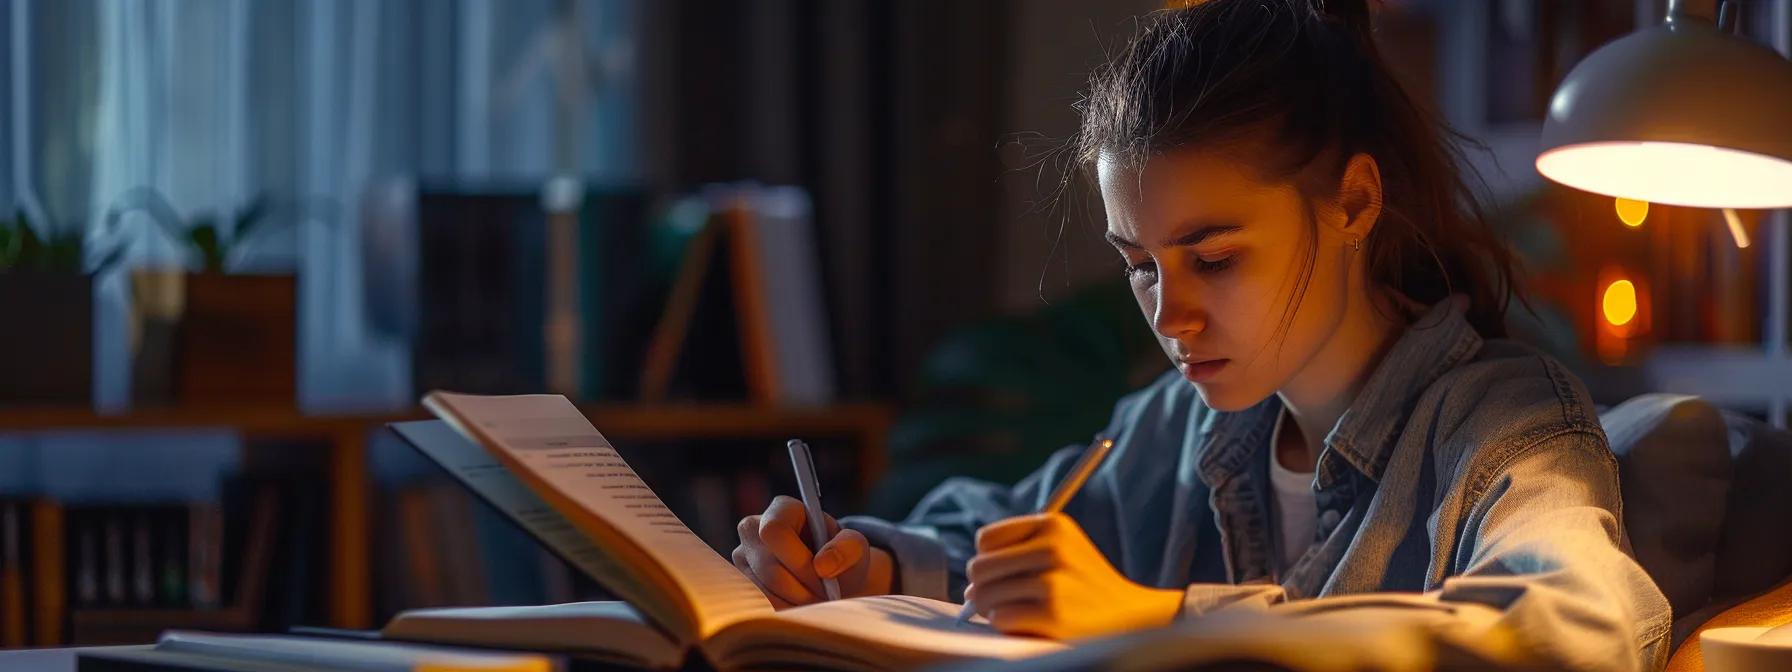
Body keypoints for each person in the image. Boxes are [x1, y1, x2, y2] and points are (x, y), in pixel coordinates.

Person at [731, 1, 1672, 670]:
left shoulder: (1502, 424)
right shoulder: (1177, 430)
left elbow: (1580, 628)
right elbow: (999, 529)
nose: (1171, 319)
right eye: (1141, 265)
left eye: (1214, 259)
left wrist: (1171, 618)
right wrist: (864, 561)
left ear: (1354, 203)